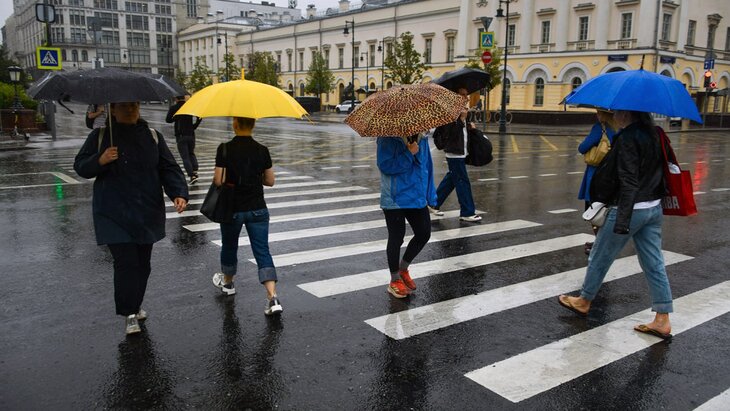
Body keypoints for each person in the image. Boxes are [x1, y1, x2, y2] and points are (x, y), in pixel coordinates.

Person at [74, 101, 189, 335]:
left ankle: (135, 305)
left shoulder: (152, 136)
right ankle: (129, 313)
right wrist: (100, 160)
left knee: (143, 264)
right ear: (112, 109)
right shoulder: (100, 136)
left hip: (146, 210)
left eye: (134, 105)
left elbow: (168, 167)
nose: (130, 109)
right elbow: (81, 167)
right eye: (124, 106)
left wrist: (178, 193)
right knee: (126, 263)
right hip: (112, 212)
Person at [558, 110, 673, 340]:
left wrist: (622, 218)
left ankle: (583, 301)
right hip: (652, 207)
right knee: (653, 262)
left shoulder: (628, 137)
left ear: (627, 114)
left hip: (629, 208)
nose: (615, 115)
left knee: (600, 255)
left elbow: (628, 180)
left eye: (618, 111)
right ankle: (662, 318)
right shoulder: (656, 133)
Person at [211, 117, 282, 316]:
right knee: (262, 251)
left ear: (235, 124)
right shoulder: (262, 150)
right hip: (258, 208)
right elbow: (270, 181)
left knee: (229, 246)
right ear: (253, 124)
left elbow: (219, 180)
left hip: (232, 209)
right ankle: (273, 297)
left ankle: (228, 283)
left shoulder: (225, 148)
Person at [376, 132, 437, 298]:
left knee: (424, 233)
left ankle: (403, 269)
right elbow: (385, 166)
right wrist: (409, 153)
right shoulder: (387, 138)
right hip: (395, 198)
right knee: (397, 237)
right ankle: (394, 279)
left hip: (417, 196)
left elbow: (427, 167)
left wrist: (430, 195)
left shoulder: (422, 138)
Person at [431, 87, 481, 222]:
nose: (467, 97)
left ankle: (433, 203)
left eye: (467, 94)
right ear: (455, 96)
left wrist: (469, 126)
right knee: (462, 181)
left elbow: (462, 133)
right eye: (463, 95)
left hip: (461, 152)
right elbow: (449, 135)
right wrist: (461, 120)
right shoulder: (449, 113)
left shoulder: (462, 111)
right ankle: (467, 211)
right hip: (454, 153)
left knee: (452, 179)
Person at [578, 109, 616, 255]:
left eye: (599, 113)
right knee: (605, 210)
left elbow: (582, 148)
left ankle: (601, 244)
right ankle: (601, 242)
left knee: (593, 212)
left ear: (605, 115)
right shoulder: (618, 129)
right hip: (611, 175)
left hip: (595, 175)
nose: (597, 115)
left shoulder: (600, 128)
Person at [166, 95, 202, 184]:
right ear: (184, 98)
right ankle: (195, 171)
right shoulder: (190, 106)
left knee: (185, 156)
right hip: (191, 134)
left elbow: (168, 120)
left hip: (181, 136)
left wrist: (176, 117)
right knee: (191, 153)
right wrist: (195, 125)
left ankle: (192, 175)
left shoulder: (174, 108)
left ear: (176, 98)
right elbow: (198, 118)